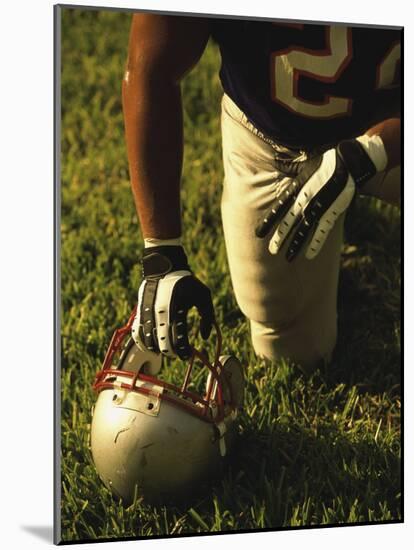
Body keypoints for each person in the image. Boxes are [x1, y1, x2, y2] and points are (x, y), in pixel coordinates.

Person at [122, 14, 401, 372]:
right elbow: (151, 69)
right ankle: (324, 212)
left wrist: (373, 151)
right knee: (296, 352)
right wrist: (162, 252)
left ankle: (345, 188)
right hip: (271, 144)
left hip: (392, 131)